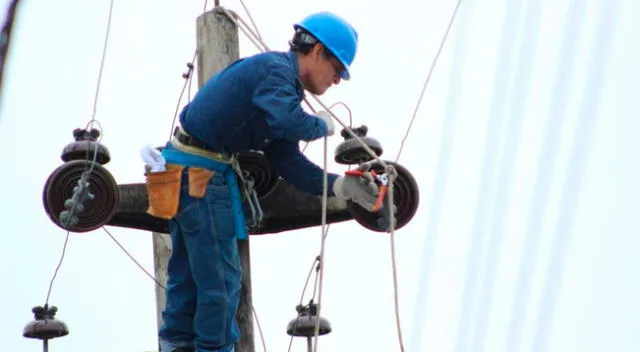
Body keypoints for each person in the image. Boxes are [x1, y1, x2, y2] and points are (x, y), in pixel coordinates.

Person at [151, 11, 382, 352]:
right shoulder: (277, 73)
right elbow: (289, 121)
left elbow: (285, 158)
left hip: (186, 172)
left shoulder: (278, 85)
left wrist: (339, 186)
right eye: (337, 70)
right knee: (221, 284)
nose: (337, 81)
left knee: (187, 280)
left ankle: (177, 347)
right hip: (201, 176)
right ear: (316, 51)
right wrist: (322, 125)